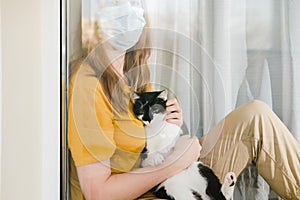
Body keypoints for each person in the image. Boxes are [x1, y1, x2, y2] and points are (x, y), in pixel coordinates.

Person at [68, 1, 300, 199]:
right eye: (117, 2)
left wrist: (168, 126)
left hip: (168, 175)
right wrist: (173, 163)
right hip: (154, 191)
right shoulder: (88, 85)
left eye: (135, 2)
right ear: (97, 14)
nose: (129, 9)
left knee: (255, 115)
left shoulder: (134, 74)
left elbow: (146, 144)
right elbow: (97, 192)